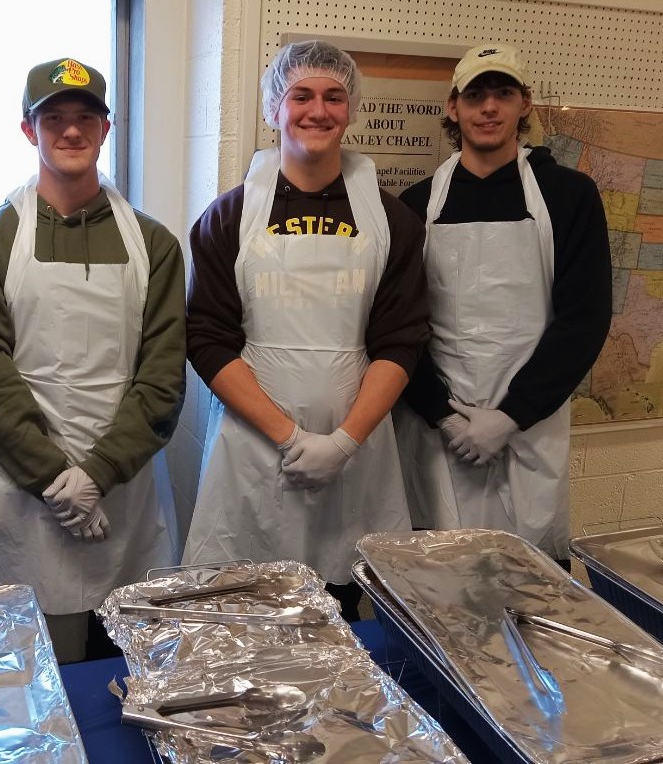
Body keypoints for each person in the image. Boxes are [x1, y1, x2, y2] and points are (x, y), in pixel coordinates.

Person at [181, 40, 429, 621]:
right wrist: (292, 439)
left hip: (356, 445)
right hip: (254, 446)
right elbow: (209, 339)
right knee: (246, 608)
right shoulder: (228, 217)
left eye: (333, 96)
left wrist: (343, 441)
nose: (317, 110)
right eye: (301, 95)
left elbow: (400, 338)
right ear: (273, 108)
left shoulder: (392, 220)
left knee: (339, 607)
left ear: (351, 109)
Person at [0, 58, 185, 662]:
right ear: (29, 130)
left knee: (129, 663)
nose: (70, 131)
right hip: (26, 485)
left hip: (123, 483)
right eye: (52, 117)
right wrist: (54, 480)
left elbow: (161, 375)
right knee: (36, 667)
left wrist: (96, 475)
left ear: (106, 128)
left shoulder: (153, 244)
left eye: (86, 117)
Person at [393, 43, 611, 564]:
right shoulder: (417, 204)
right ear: (454, 108)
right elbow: (399, 324)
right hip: (437, 429)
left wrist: (511, 416)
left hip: (529, 426)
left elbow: (584, 318)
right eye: (475, 95)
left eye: (503, 93)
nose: (489, 107)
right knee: (438, 575)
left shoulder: (569, 196)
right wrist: (443, 416)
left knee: (529, 580)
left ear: (524, 104)